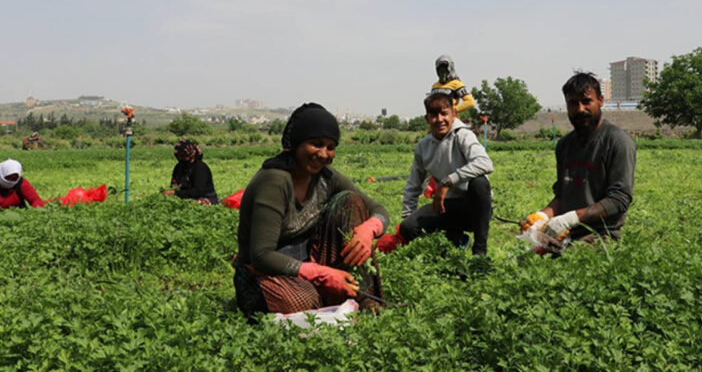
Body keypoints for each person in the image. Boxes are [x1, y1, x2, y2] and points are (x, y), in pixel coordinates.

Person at [234, 103, 389, 316]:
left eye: (330, 147)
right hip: (264, 274)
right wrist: (321, 274)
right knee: (303, 302)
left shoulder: (326, 177)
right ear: (296, 144)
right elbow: (261, 255)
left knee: (351, 201)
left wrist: (369, 229)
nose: (323, 154)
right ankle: (329, 298)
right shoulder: (275, 181)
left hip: (309, 264)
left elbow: (377, 209)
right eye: (316, 144)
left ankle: (364, 300)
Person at [525, 72, 636, 249]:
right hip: (566, 233)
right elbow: (562, 197)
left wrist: (570, 218)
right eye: (573, 103)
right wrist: (541, 217)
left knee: (566, 260)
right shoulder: (564, 145)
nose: (580, 109)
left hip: (601, 235)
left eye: (586, 101)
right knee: (526, 259)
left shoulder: (616, 141)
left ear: (600, 100)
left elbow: (619, 200)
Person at [377, 89, 494, 255]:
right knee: (408, 228)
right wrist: (408, 216)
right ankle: (456, 238)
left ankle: (480, 251)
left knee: (479, 182)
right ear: (427, 118)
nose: (439, 120)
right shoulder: (423, 146)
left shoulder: (463, 136)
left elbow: (485, 163)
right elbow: (414, 183)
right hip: (444, 205)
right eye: (434, 115)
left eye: (444, 114)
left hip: (473, 208)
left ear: (453, 114)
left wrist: (448, 181)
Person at [163, 140, 219, 205]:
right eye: (178, 156)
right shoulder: (178, 167)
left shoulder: (200, 167)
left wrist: (176, 193)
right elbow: (173, 185)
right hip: (185, 197)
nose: (180, 158)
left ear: (190, 155)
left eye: (182, 156)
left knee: (199, 203)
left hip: (205, 197)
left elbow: (198, 191)